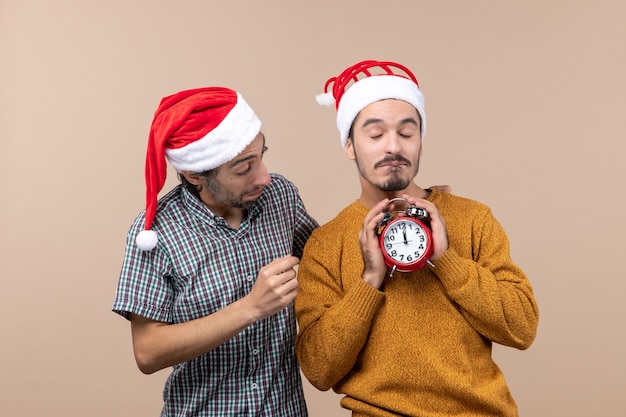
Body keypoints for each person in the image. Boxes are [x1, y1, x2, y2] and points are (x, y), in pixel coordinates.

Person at [294, 60, 539, 417]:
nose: (393, 147)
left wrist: (447, 260)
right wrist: (370, 281)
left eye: (407, 133)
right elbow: (318, 369)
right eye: (375, 135)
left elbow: (522, 329)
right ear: (349, 145)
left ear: (421, 142)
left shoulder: (471, 218)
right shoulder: (326, 244)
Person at [111, 87, 318, 416]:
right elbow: (147, 352)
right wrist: (251, 307)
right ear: (195, 175)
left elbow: (328, 262)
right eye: (243, 169)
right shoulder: (154, 232)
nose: (264, 176)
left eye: (261, 156)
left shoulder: (281, 197)